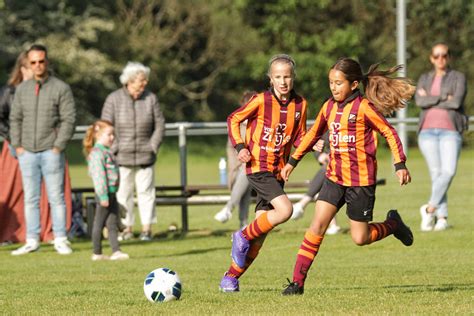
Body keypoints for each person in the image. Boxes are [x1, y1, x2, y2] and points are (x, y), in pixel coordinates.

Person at [280, 57, 415, 295]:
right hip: (334, 178)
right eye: (331, 82)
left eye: (339, 83)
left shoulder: (364, 108)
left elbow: (389, 132)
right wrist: (292, 161)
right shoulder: (328, 107)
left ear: (354, 84)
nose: (333, 87)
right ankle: (297, 283)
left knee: (360, 238)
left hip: (361, 183)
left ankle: (393, 224)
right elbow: (312, 135)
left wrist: (400, 163)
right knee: (317, 226)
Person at [219, 54, 308, 292]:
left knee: (260, 237)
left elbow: (298, 134)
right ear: (271, 78)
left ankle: (230, 278)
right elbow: (233, 119)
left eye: (287, 77)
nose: (283, 82)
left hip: (277, 173)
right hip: (258, 168)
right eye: (278, 77)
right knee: (285, 210)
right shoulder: (260, 101)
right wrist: (240, 147)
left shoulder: (301, 105)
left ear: (293, 77)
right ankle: (241, 235)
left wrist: (311, 142)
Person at [10, 44, 76, 255]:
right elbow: (15, 118)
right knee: (31, 197)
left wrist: (58, 146)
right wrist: (17, 145)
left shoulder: (61, 88)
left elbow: (69, 119)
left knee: (56, 196)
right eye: (33, 62)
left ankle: (60, 238)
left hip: (51, 150)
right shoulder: (22, 89)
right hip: (27, 152)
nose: (38, 65)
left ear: (47, 62)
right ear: (28, 64)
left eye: (41, 61)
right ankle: (32, 239)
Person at [101, 62, 165, 241]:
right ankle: (126, 229)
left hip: (146, 156)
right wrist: (115, 149)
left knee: (146, 194)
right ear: (129, 80)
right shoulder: (113, 99)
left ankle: (146, 229)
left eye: (145, 80)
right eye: (141, 80)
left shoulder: (151, 98)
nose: (144, 83)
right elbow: (105, 125)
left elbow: (159, 124)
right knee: (123, 194)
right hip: (121, 157)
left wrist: (153, 146)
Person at [415, 43, 467, 232]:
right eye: (436, 56)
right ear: (431, 58)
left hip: (450, 131)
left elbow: (457, 102)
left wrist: (431, 98)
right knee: (437, 175)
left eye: (444, 55)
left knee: (449, 171)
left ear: (449, 57)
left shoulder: (458, 77)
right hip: (427, 132)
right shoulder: (424, 78)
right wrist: (444, 97)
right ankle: (442, 219)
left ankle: (429, 209)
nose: (440, 59)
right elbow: (419, 101)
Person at [83, 120, 130, 261]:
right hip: (104, 194)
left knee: (112, 223)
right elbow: (99, 177)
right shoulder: (97, 153)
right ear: (98, 135)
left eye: (113, 134)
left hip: (111, 193)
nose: (112, 137)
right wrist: (103, 195)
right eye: (109, 134)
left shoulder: (106, 152)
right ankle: (97, 253)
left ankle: (116, 251)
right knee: (99, 223)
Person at [214, 91, 257, 229]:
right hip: (238, 169)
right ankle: (243, 224)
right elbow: (231, 151)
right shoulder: (236, 125)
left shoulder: (261, 124)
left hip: (257, 169)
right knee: (245, 175)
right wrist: (237, 166)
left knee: (247, 173)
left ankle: (228, 208)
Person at [290, 133, 342, 235]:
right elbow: (317, 139)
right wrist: (320, 155)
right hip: (333, 169)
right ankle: (333, 225)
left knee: (327, 171)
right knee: (327, 181)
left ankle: (302, 204)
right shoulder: (326, 124)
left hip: (348, 165)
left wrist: (332, 156)